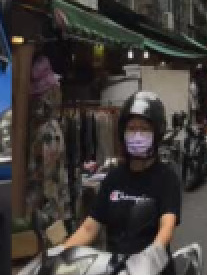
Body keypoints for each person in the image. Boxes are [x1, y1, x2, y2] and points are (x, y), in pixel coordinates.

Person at [60, 91, 181, 275]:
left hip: (152, 269)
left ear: (157, 133)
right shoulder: (114, 178)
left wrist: (149, 257)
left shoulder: (166, 178)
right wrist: (61, 254)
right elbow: (89, 228)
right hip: (116, 269)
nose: (137, 135)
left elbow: (167, 226)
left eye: (144, 129)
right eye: (131, 128)